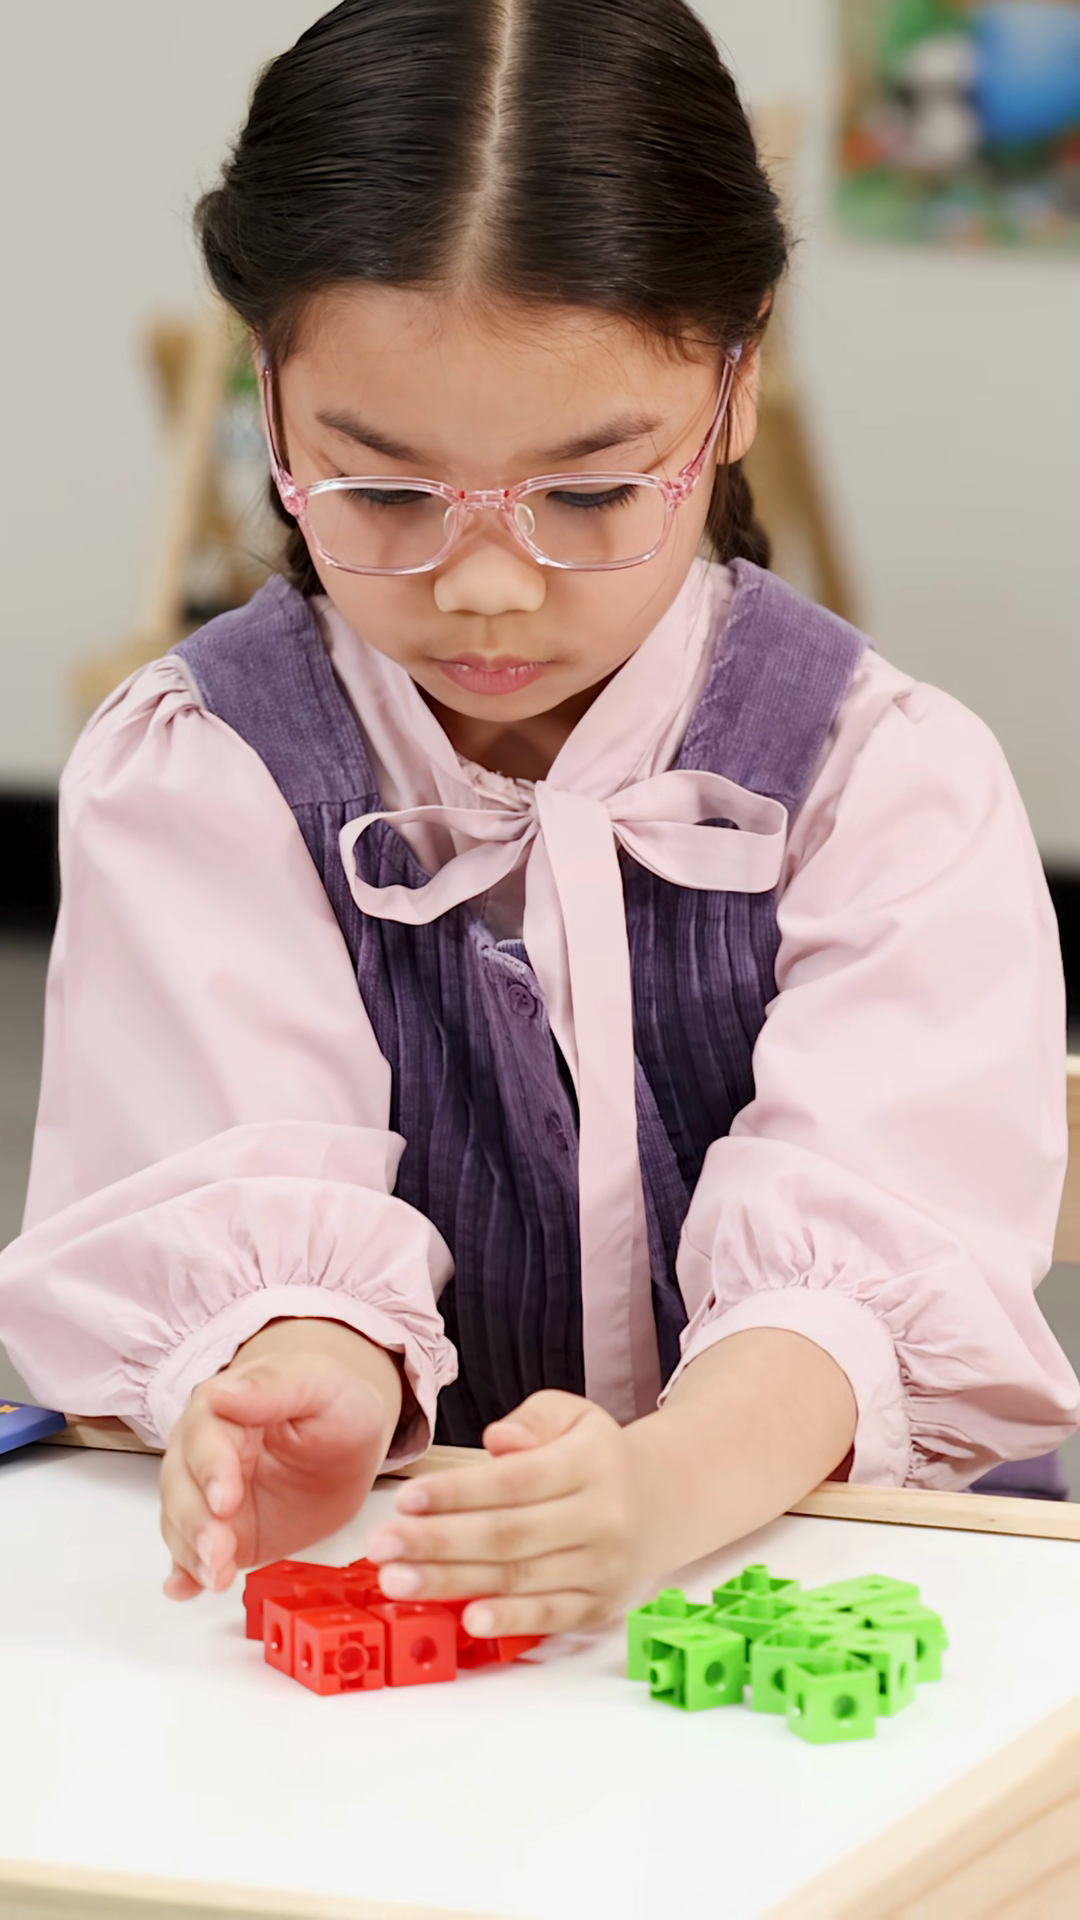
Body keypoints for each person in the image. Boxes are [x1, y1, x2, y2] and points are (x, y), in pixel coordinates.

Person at [1, 0, 1076, 1643]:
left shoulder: (882, 780)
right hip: (416, 1588)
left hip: (822, 1565)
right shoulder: (206, 769)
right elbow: (239, 1168)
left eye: (589, 491)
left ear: (737, 378)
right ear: (267, 391)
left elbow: (873, 1243)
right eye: (383, 492)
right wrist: (304, 1364)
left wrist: (663, 1487)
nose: (488, 586)